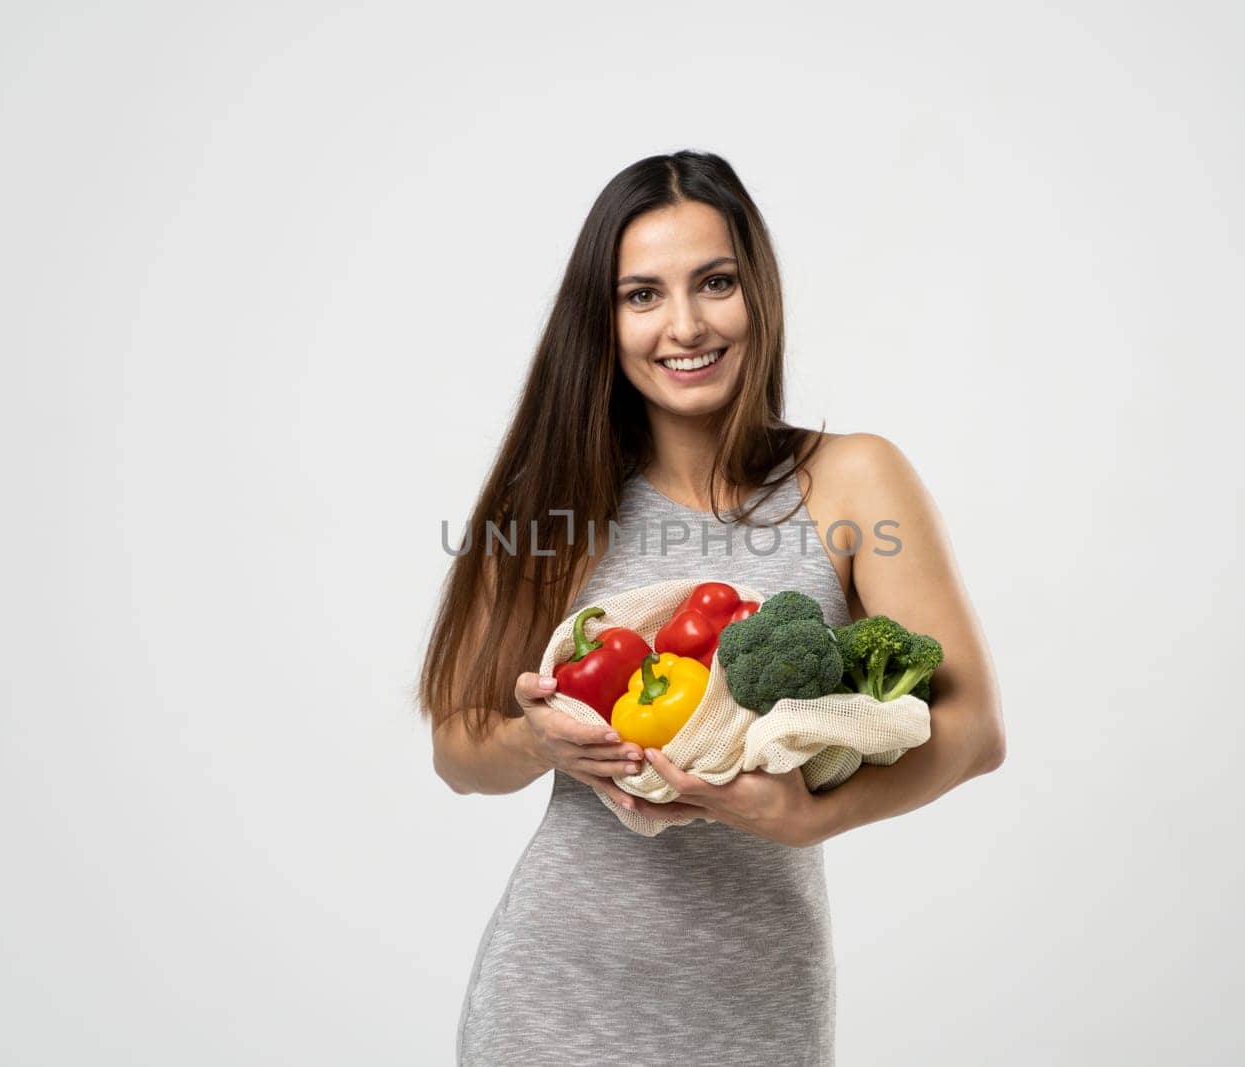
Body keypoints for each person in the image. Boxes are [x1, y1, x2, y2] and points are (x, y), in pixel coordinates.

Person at [418, 150, 1006, 1066]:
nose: (684, 324)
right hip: (557, 997)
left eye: (715, 282)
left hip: (759, 996)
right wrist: (539, 742)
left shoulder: (852, 478)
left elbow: (971, 730)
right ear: (603, 322)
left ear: (757, 294)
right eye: (641, 294)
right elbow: (458, 748)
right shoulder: (554, 503)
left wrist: (815, 818)